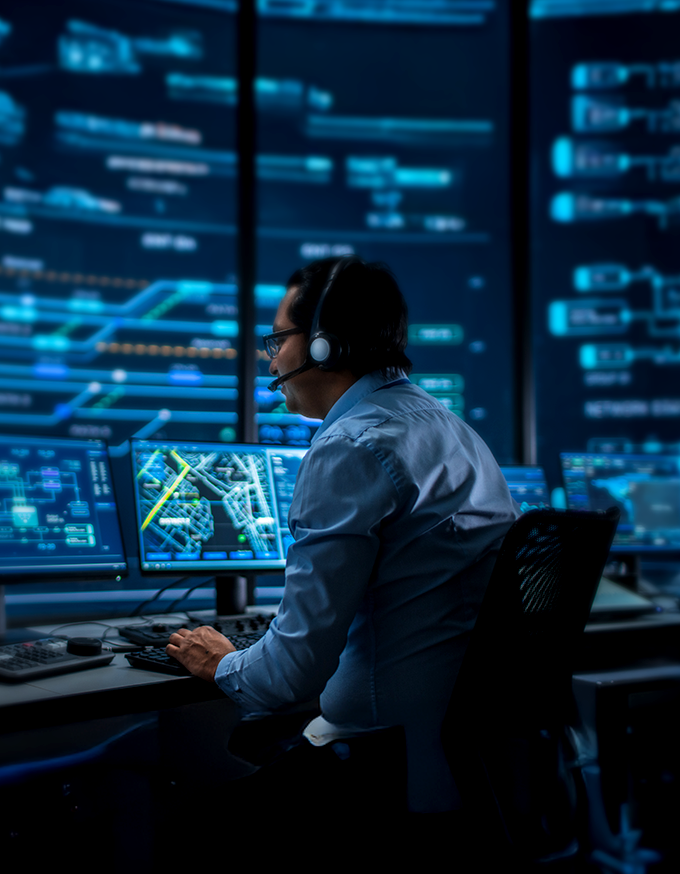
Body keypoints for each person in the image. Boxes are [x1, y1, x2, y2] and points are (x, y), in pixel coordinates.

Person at [165, 256, 517, 813]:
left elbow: (289, 676)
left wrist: (222, 660)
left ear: (324, 343)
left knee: (163, 802)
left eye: (278, 338)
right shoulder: (453, 431)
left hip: (382, 767)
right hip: (479, 764)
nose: (272, 356)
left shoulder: (351, 447)